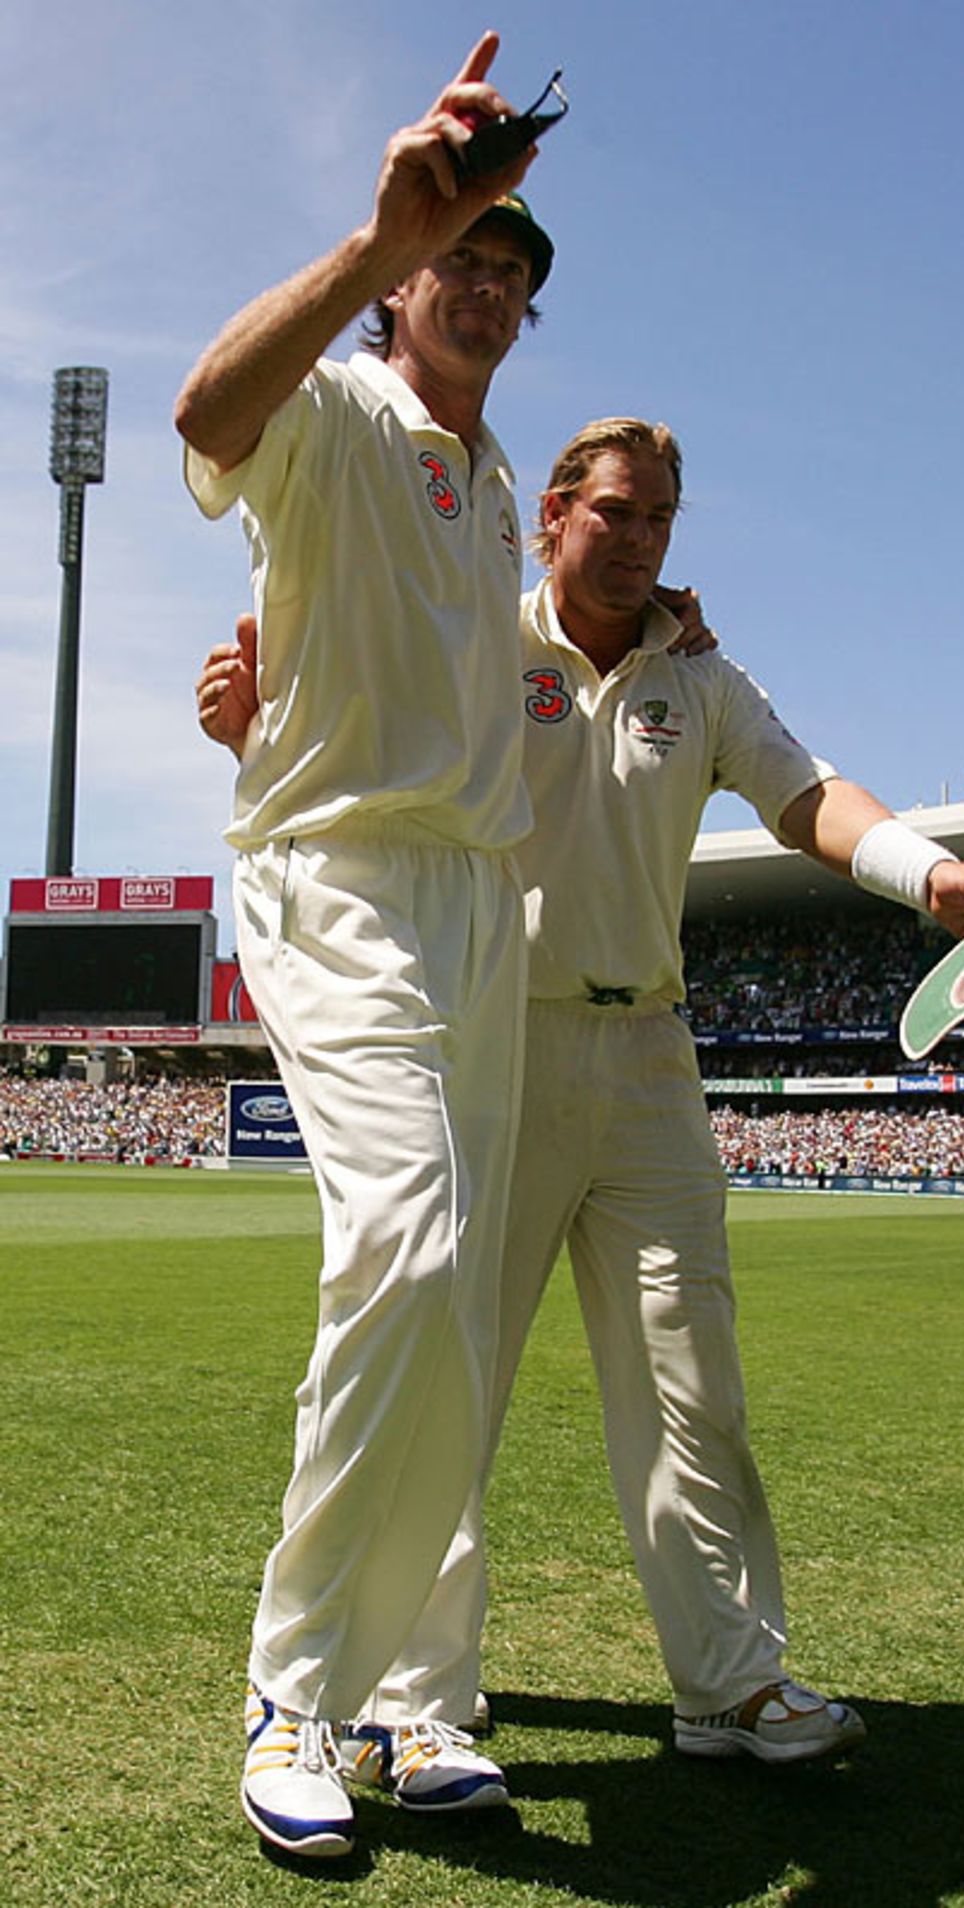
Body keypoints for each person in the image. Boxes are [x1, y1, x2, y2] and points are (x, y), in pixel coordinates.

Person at [198, 418, 964, 1790]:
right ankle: (416, 1697)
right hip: (488, 1041)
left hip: (650, 1067)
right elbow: (361, 733)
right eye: (617, 513)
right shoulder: (480, 641)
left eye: (661, 521)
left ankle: (731, 1683)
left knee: (696, 1387)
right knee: (452, 1380)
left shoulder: (701, 677)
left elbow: (805, 793)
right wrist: (253, 723)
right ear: (552, 514)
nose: (638, 541)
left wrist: (929, 876)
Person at [174, 34, 557, 1862]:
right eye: (459, 258)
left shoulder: (496, 496)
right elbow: (203, 407)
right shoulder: (333, 409)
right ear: (401, 285)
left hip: (483, 901)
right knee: (407, 1247)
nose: (483, 284)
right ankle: (297, 1688)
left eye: (509, 271)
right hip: (340, 881)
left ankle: (423, 1695)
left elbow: (468, 672)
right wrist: (373, 225)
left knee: (458, 1303)